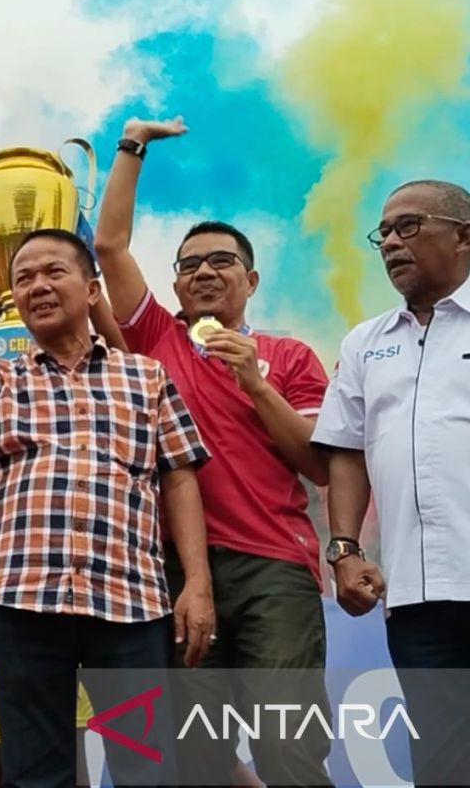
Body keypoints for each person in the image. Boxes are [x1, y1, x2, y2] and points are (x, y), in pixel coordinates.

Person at [0, 228, 215, 786]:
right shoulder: (1, 377)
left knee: (146, 769)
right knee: (38, 774)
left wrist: (198, 582)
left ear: (92, 290)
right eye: (22, 278)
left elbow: (179, 478)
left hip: (130, 605)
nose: (36, 286)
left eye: (52, 272)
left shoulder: (145, 376)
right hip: (23, 603)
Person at [93, 116, 334, 785]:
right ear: (174, 287)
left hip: (274, 572)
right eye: (190, 265)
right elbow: (109, 245)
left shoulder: (288, 355)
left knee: (287, 749)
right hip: (168, 572)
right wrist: (132, 144)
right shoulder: (155, 340)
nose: (204, 272)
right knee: (199, 760)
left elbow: (317, 463)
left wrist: (253, 380)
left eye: (220, 261)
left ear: (250, 281)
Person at [312, 179, 470, 785]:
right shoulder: (365, 343)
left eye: (410, 226)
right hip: (417, 598)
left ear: (462, 236)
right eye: (384, 233)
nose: (392, 244)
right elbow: (345, 454)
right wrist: (345, 549)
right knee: (442, 766)